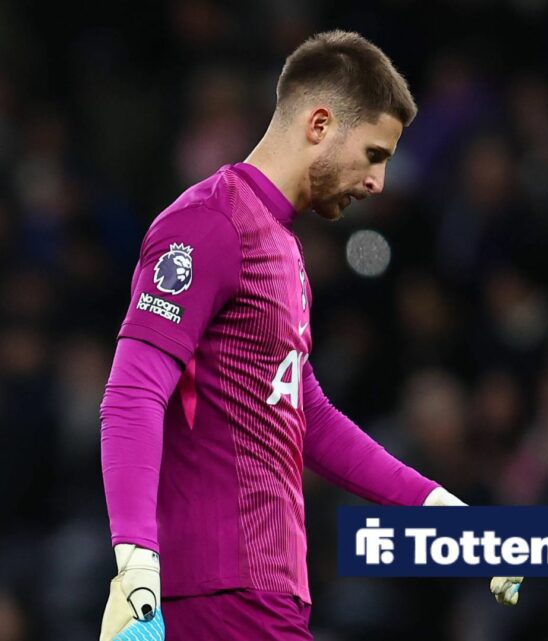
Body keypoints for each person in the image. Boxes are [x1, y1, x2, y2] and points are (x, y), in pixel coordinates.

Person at [98, 30, 522, 641]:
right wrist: (135, 558)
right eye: (375, 154)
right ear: (320, 124)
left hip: (265, 594)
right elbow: (132, 394)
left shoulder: (282, 245)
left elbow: (307, 416)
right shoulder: (208, 226)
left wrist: (437, 509)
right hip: (219, 594)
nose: (378, 182)